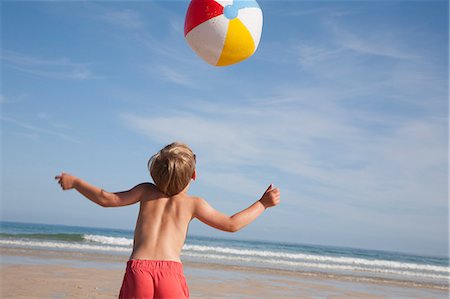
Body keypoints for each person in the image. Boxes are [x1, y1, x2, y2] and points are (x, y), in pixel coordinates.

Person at [55, 142, 280, 299]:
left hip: (139, 270)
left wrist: (76, 182)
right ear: (193, 175)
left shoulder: (145, 191)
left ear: (155, 173)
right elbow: (232, 224)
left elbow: (108, 199)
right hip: (171, 273)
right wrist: (262, 203)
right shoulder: (193, 203)